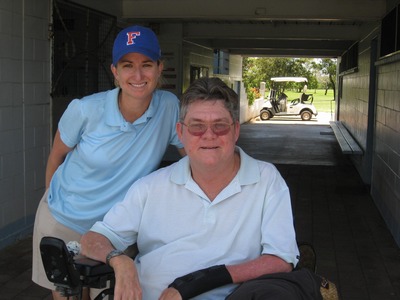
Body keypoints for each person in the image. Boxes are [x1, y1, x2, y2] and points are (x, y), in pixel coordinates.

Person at [80, 77, 325, 300]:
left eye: (220, 126)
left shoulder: (266, 180)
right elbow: (93, 239)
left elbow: (280, 259)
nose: (208, 135)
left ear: (236, 131)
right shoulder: (150, 187)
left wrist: (197, 283)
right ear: (181, 133)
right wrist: (120, 261)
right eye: (197, 126)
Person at [32, 24, 185, 299]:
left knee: (107, 295)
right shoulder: (85, 110)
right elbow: (57, 155)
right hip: (64, 218)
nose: (137, 75)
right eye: (127, 65)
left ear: (160, 68)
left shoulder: (169, 107)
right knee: (66, 294)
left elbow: (192, 157)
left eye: (146, 65)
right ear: (115, 71)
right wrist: (50, 199)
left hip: (117, 227)